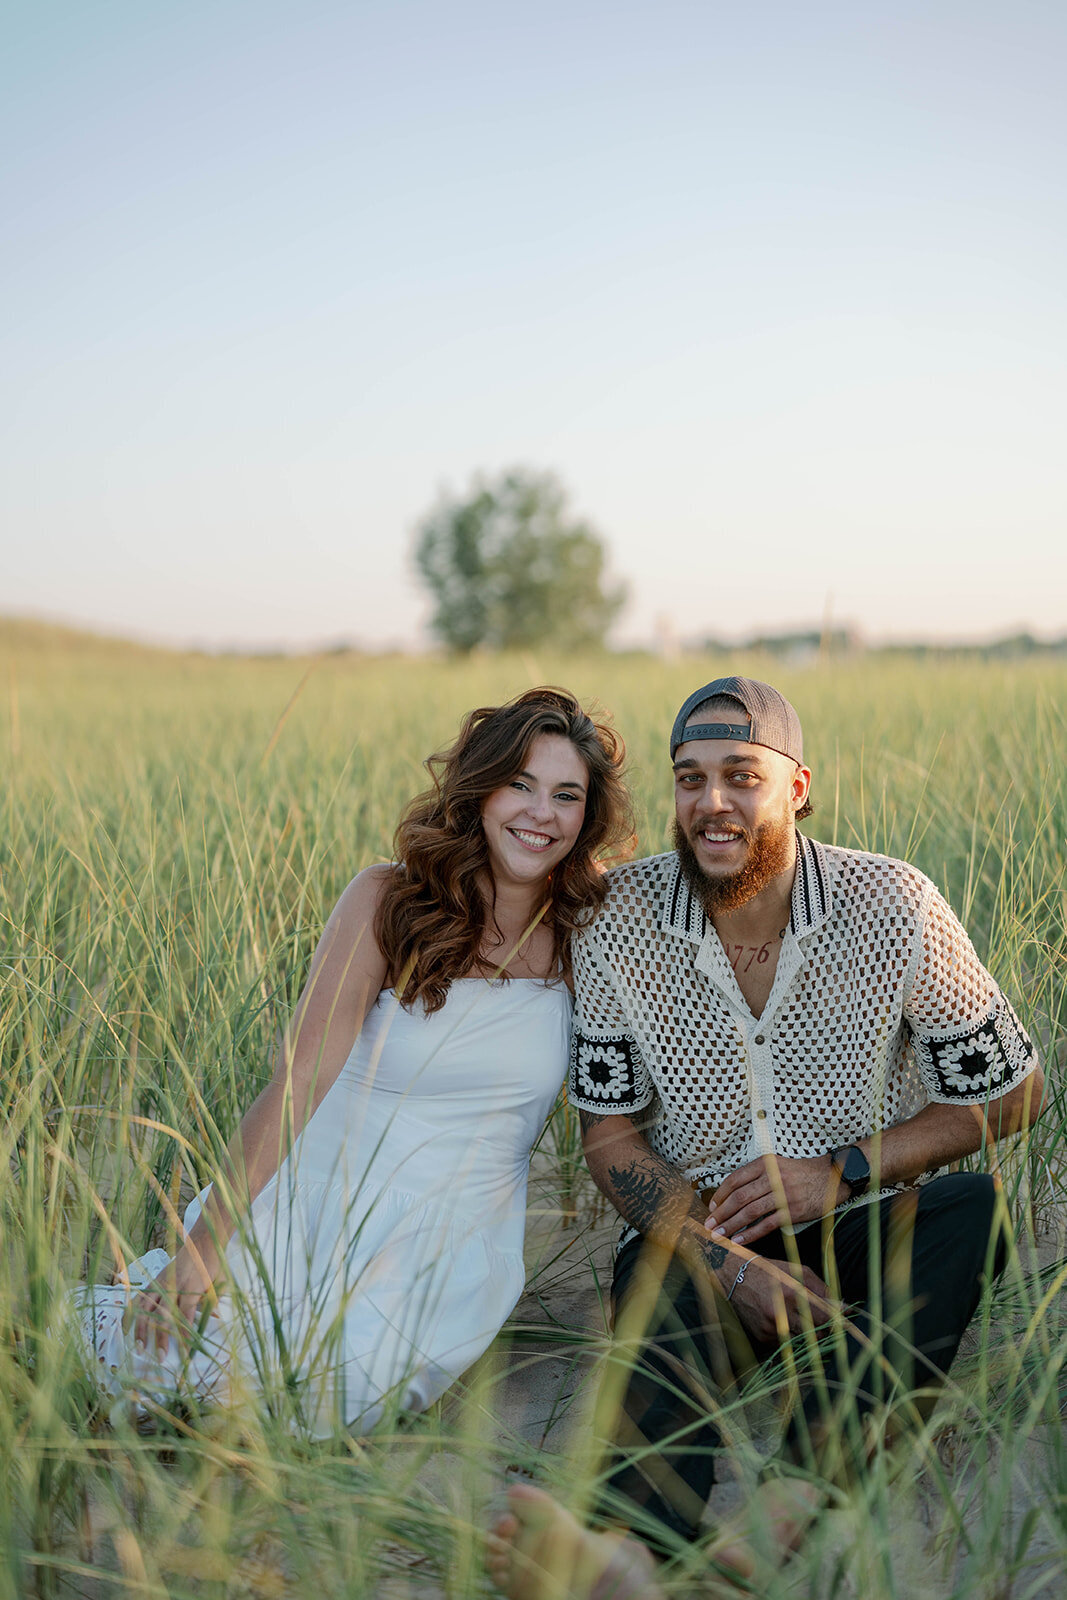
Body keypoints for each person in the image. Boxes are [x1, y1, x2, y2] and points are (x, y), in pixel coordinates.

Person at [488, 674, 1043, 1597]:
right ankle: (631, 1553)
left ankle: (787, 1512)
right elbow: (610, 1139)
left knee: (967, 1212)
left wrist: (841, 1170)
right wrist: (728, 1262)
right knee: (658, 1286)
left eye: (740, 775)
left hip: (851, 1223)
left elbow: (1013, 1092)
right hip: (699, 1236)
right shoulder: (615, 920)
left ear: (796, 786)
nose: (711, 803)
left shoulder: (893, 907)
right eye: (689, 776)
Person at [73, 687, 633, 1436]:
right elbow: (300, 1078)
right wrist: (204, 1252)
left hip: (447, 1238)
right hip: (311, 1199)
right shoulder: (388, 899)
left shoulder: (587, 927)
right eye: (520, 785)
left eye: (566, 796)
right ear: (480, 790)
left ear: (586, 818)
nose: (541, 814)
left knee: (335, 1388)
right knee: (168, 1350)